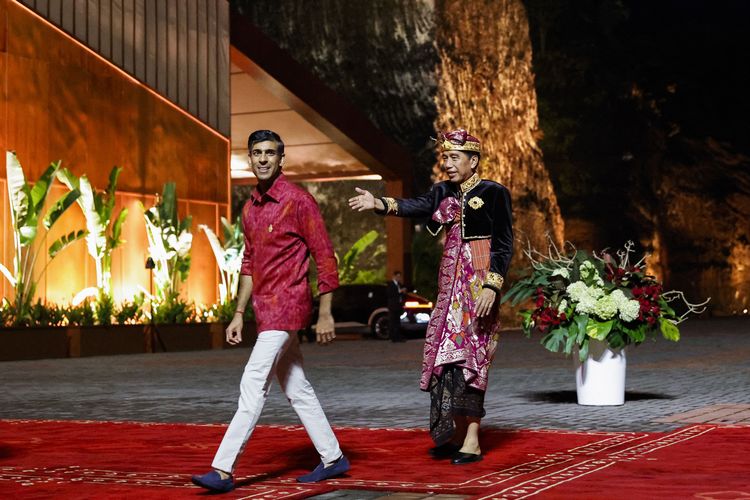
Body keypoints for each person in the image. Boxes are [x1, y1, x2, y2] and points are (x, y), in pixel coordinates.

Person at [192, 130, 350, 493]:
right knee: (297, 386)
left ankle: (223, 469)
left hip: (289, 305)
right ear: (250, 158)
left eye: (270, 153)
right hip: (265, 309)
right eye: (256, 153)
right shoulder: (249, 209)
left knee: (253, 381)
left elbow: (325, 257)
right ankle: (333, 457)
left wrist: (326, 313)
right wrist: (238, 312)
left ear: (282, 158)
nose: (263, 159)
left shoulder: (299, 201)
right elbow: (248, 263)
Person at [348, 129, 513, 465]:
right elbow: (415, 205)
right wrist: (378, 202)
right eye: (446, 158)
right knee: (446, 359)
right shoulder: (442, 192)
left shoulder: (494, 193)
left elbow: (504, 243)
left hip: (478, 289)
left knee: (472, 358)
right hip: (449, 289)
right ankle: (454, 430)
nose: (448, 164)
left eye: (455, 158)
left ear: (473, 160)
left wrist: (492, 287)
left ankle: (472, 437)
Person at [387, 270, 407, 342]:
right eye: (397, 276)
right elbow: (390, 294)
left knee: (397, 322)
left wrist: (403, 292)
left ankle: (398, 337)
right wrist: (400, 291)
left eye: (400, 277)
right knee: (393, 321)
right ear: (394, 276)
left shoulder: (399, 284)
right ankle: (393, 337)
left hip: (398, 305)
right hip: (393, 306)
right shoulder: (390, 284)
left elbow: (401, 294)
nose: (399, 278)